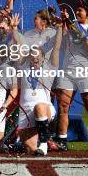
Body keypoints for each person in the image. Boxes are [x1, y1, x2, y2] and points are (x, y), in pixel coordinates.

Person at [55, 2, 88, 153]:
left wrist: (82, 35)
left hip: (86, 72)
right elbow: (60, 38)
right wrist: (61, 22)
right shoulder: (70, 25)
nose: (77, 12)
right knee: (63, 107)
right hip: (67, 71)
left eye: (80, 10)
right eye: (76, 10)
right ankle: (62, 140)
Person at [12, 13, 62, 156]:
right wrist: (14, 29)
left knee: (39, 107)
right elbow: (20, 46)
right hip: (25, 113)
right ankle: (41, 143)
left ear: (42, 58)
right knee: (31, 151)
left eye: (37, 55)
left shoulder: (49, 68)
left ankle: (45, 143)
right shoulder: (24, 66)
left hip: (44, 109)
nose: (34, 57)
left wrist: (59, 28)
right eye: (32, 55)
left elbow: (57, 47)